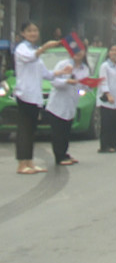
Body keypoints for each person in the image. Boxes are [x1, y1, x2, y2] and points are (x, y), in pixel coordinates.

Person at [13, 21, 65, 174]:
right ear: (23, 33)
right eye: (29, 31)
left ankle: (29, 162)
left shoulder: (35, 50)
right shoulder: (22, 49)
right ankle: (22, 164)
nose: (33, 33)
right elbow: (30, 58)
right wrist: (46, 47)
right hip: (25, 95)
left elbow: (46, 74)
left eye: (35, 30)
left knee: (31, 131)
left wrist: (61, 73)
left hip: (35, 97)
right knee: (24, 131)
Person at [47, 42, 91, 166]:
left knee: (66, 132)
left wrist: (88, 86)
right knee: (58, 133)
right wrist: (67, 81)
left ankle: (65, 154)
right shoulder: (63, 65)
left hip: (71, 104)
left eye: (81, 50)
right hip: (57, 105)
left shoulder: (85, 69)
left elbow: (81, 88)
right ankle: (59, 157)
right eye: (76, 50)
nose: (78, 53)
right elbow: (54, 82)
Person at [97, 44, 116, 153]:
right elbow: (103, 81)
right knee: (107, 123)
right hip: (107, 100)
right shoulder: (105, 66)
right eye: (112, 50)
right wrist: (108, 94)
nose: (114, 52)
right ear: (109, 53)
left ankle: (115, 144)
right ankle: (105, 145)